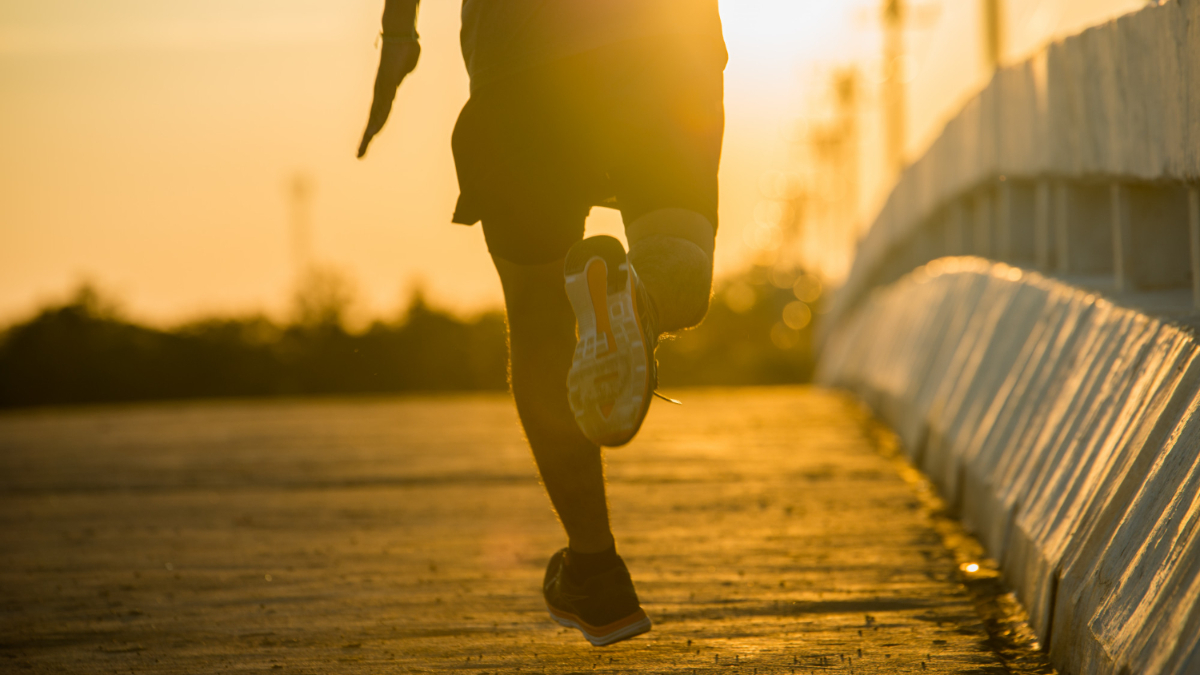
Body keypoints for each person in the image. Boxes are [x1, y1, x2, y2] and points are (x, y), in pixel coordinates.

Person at [358, 0, 726, 647]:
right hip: (666, 42)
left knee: (537, 309)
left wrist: (397, 30)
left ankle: (595, 570)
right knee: (682, 261)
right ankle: (639, 296)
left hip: (522, 54)